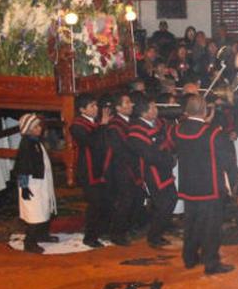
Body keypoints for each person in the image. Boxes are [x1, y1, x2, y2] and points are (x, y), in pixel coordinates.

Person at [173, 95, 235, 275]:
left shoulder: (178, 129)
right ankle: (211, 263)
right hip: (210, 187)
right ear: (205, 111)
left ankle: (189, 258)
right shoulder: (212, 132)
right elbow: (226, 160)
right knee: (211, 227)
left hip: (188, 186)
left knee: (191, 223)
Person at [128, 97, 176, 249]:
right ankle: (154, 236)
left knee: (170, 200)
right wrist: (170, 159)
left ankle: (159, 230)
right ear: (143, 113)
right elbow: (150, 155)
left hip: (164, 170)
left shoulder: (159, 124)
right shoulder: (136, 132)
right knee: (164, 203)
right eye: (152, 108)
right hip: (152, 173)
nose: (156, 110)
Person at [13, 114, 58, 254]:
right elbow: (22, 167)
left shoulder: (35, 141)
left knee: (44, 209)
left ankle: (42, 234)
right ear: (28, 129)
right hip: (32, 184)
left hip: (40, 183)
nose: (40, 128)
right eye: (36, 127)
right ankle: (29, 242)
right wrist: (24, 187)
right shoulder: (27, 144)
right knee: (35, 213)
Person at [70, 94, 110, 248]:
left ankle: (101, 231)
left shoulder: (96, 122)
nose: (96, 109)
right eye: (92, 106)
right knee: (95, 203)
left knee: (104, 201)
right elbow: (91, 142)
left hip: (101, 167)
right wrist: (102, 126)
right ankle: (90, 237)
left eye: (96, 105)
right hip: (88, 170)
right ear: (82, 109)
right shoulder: (77, 126)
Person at [105, 92, 141, 246]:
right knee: (125, 200)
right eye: (127, 102)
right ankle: (117, 233)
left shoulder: (130, 121)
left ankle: (129, 227)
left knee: (136, 198)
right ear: (118, 107)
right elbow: (119, 150)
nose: (131, 105)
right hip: (122, 168)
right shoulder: (115, 126)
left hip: (132, 165)